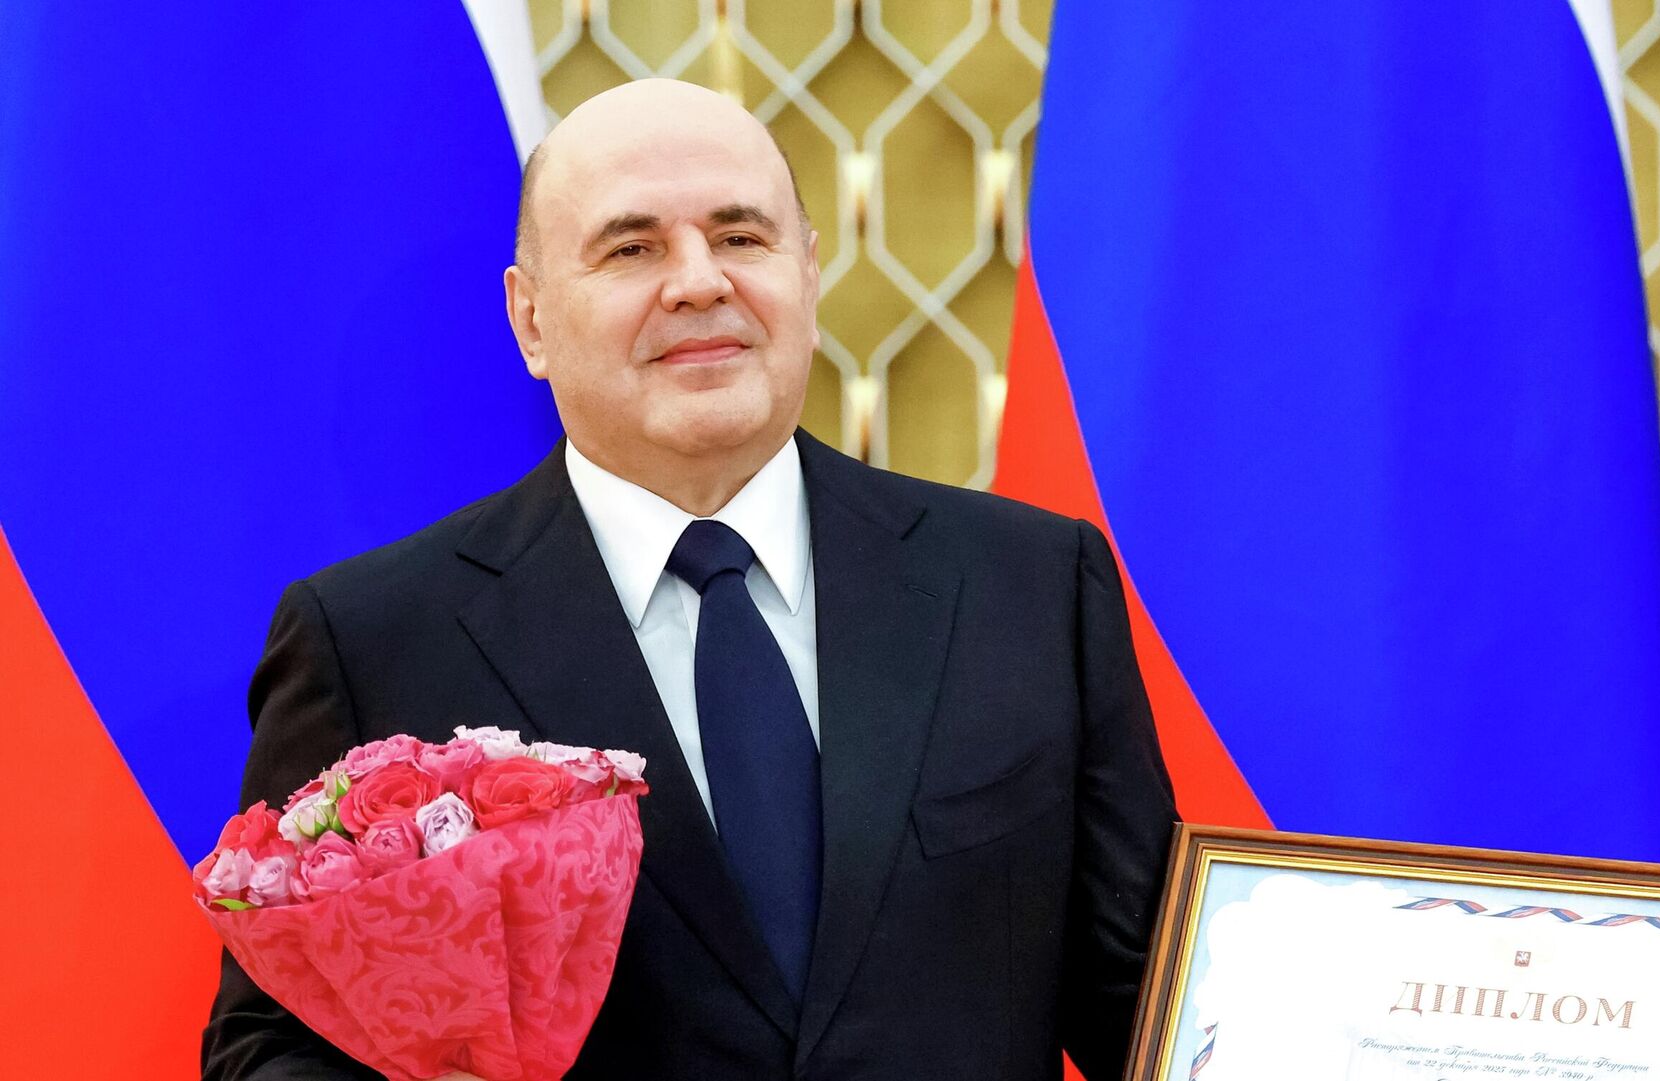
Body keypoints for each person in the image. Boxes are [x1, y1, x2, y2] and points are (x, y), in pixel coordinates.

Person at [202, 78, 1178, 1081]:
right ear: (531, 320)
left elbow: (1149, 1003)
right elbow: (273, 1044)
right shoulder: (371, 638)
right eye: (632, 249)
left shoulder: (1031, 585)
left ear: (808, 274)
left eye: (741, 237)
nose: (700, 282)